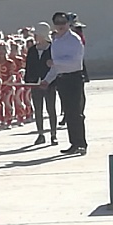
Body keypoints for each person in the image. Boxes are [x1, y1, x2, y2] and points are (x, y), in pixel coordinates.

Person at [43, 11, 88, 154]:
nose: (60, 25)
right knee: (68, 112)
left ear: (68, 23)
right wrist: (47, 80)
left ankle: (81, 143)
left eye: (63, 22)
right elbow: (55, 67)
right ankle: (73, 143)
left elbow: (76, 62)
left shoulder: (74, 39)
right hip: (62, 79)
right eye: (57, 22)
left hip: (74, 78)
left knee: (76, 112)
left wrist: (55, 62)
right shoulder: (56, 41)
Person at [24, 23, 58, 146]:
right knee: (38, 109)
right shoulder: (32, 50)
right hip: (35, 84)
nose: (35, 36)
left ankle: (53, 134)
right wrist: (28, 80)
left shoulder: (52, 48)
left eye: (37, 34)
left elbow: (56, 66)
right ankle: (40, 134)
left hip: (49, 83)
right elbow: (28, 67)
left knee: (51, 109)